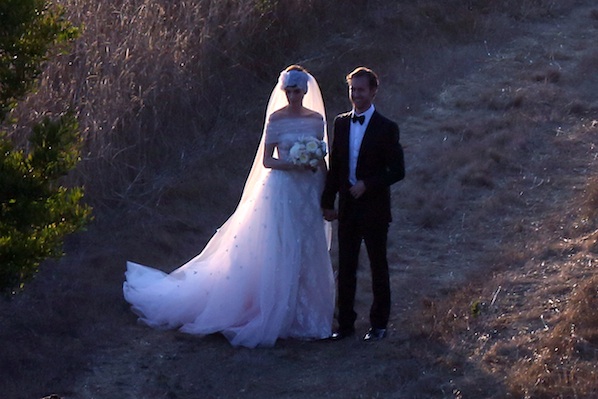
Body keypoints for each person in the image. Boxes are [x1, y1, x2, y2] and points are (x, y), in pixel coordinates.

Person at [123, 65, 335, 348]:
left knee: (308, 247)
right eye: (289, 91)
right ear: (284, 92)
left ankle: (307, 315)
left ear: (305, 91)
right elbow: (267, 161)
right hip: (283, 189)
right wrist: (293, 163)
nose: (294, 96)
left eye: (297, 91)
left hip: (308, 191)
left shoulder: (316, 120)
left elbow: (321, 157)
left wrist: (325, 187)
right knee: (281, 247)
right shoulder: (276, 119)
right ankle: (275, 311)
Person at [321, 66, 405, 342]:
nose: (356, 95)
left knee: (377, 265)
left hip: (375, 209)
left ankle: (378, 324)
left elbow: (397, 170)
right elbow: (335, 166)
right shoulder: (341, 123)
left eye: (361, 90)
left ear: (373, 91)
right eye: (352, 90)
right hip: (347, 207)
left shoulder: (387, 128)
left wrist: (367, 184)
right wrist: (327, 200)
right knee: (345, 267)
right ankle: (344, 324)